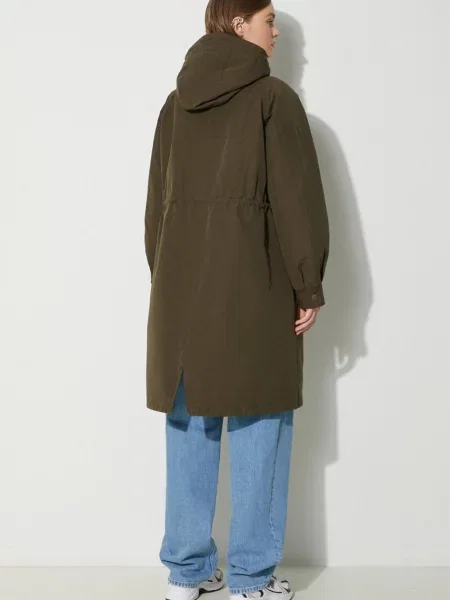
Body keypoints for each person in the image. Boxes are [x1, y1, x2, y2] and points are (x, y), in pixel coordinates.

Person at [144, 1, 330, 598]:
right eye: (268, 20)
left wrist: (168, 281)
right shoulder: (274, 99)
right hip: (255, 289)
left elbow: (156, 212)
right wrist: (307, 283)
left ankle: (187, 573)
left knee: (189, 423)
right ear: (236, 22)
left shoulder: (174, 105)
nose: (277, 33)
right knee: (259, 420)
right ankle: (250, 578)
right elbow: (298, 203)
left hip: (180, 297)